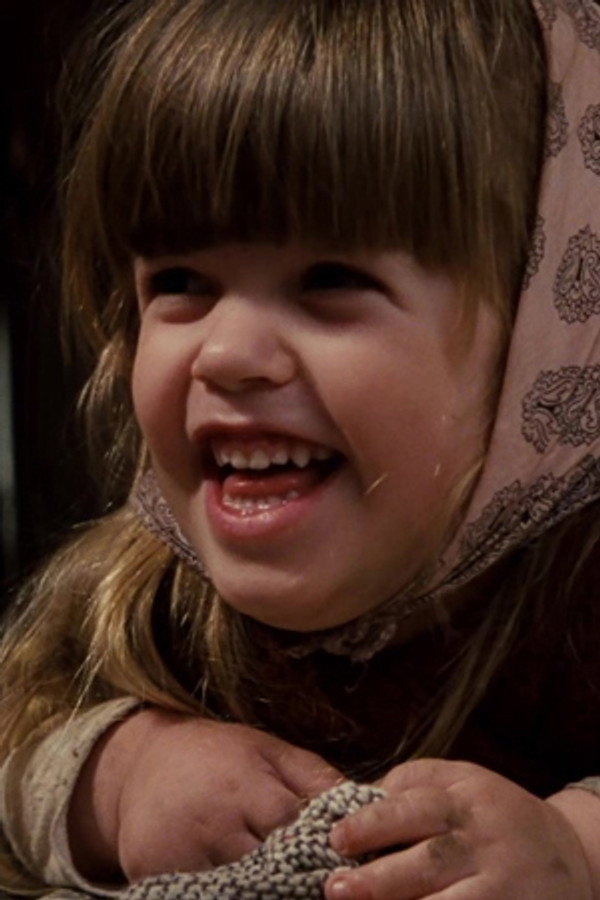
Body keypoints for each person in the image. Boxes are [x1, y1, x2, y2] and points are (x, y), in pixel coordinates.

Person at [1, 0, 600, 896]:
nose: (227, 354)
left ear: (541, 335)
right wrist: (116, 775)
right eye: (181, 282)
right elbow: (17, 735)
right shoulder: (148, 591)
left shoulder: (579, 586)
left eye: (331, 279)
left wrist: (576, 846)